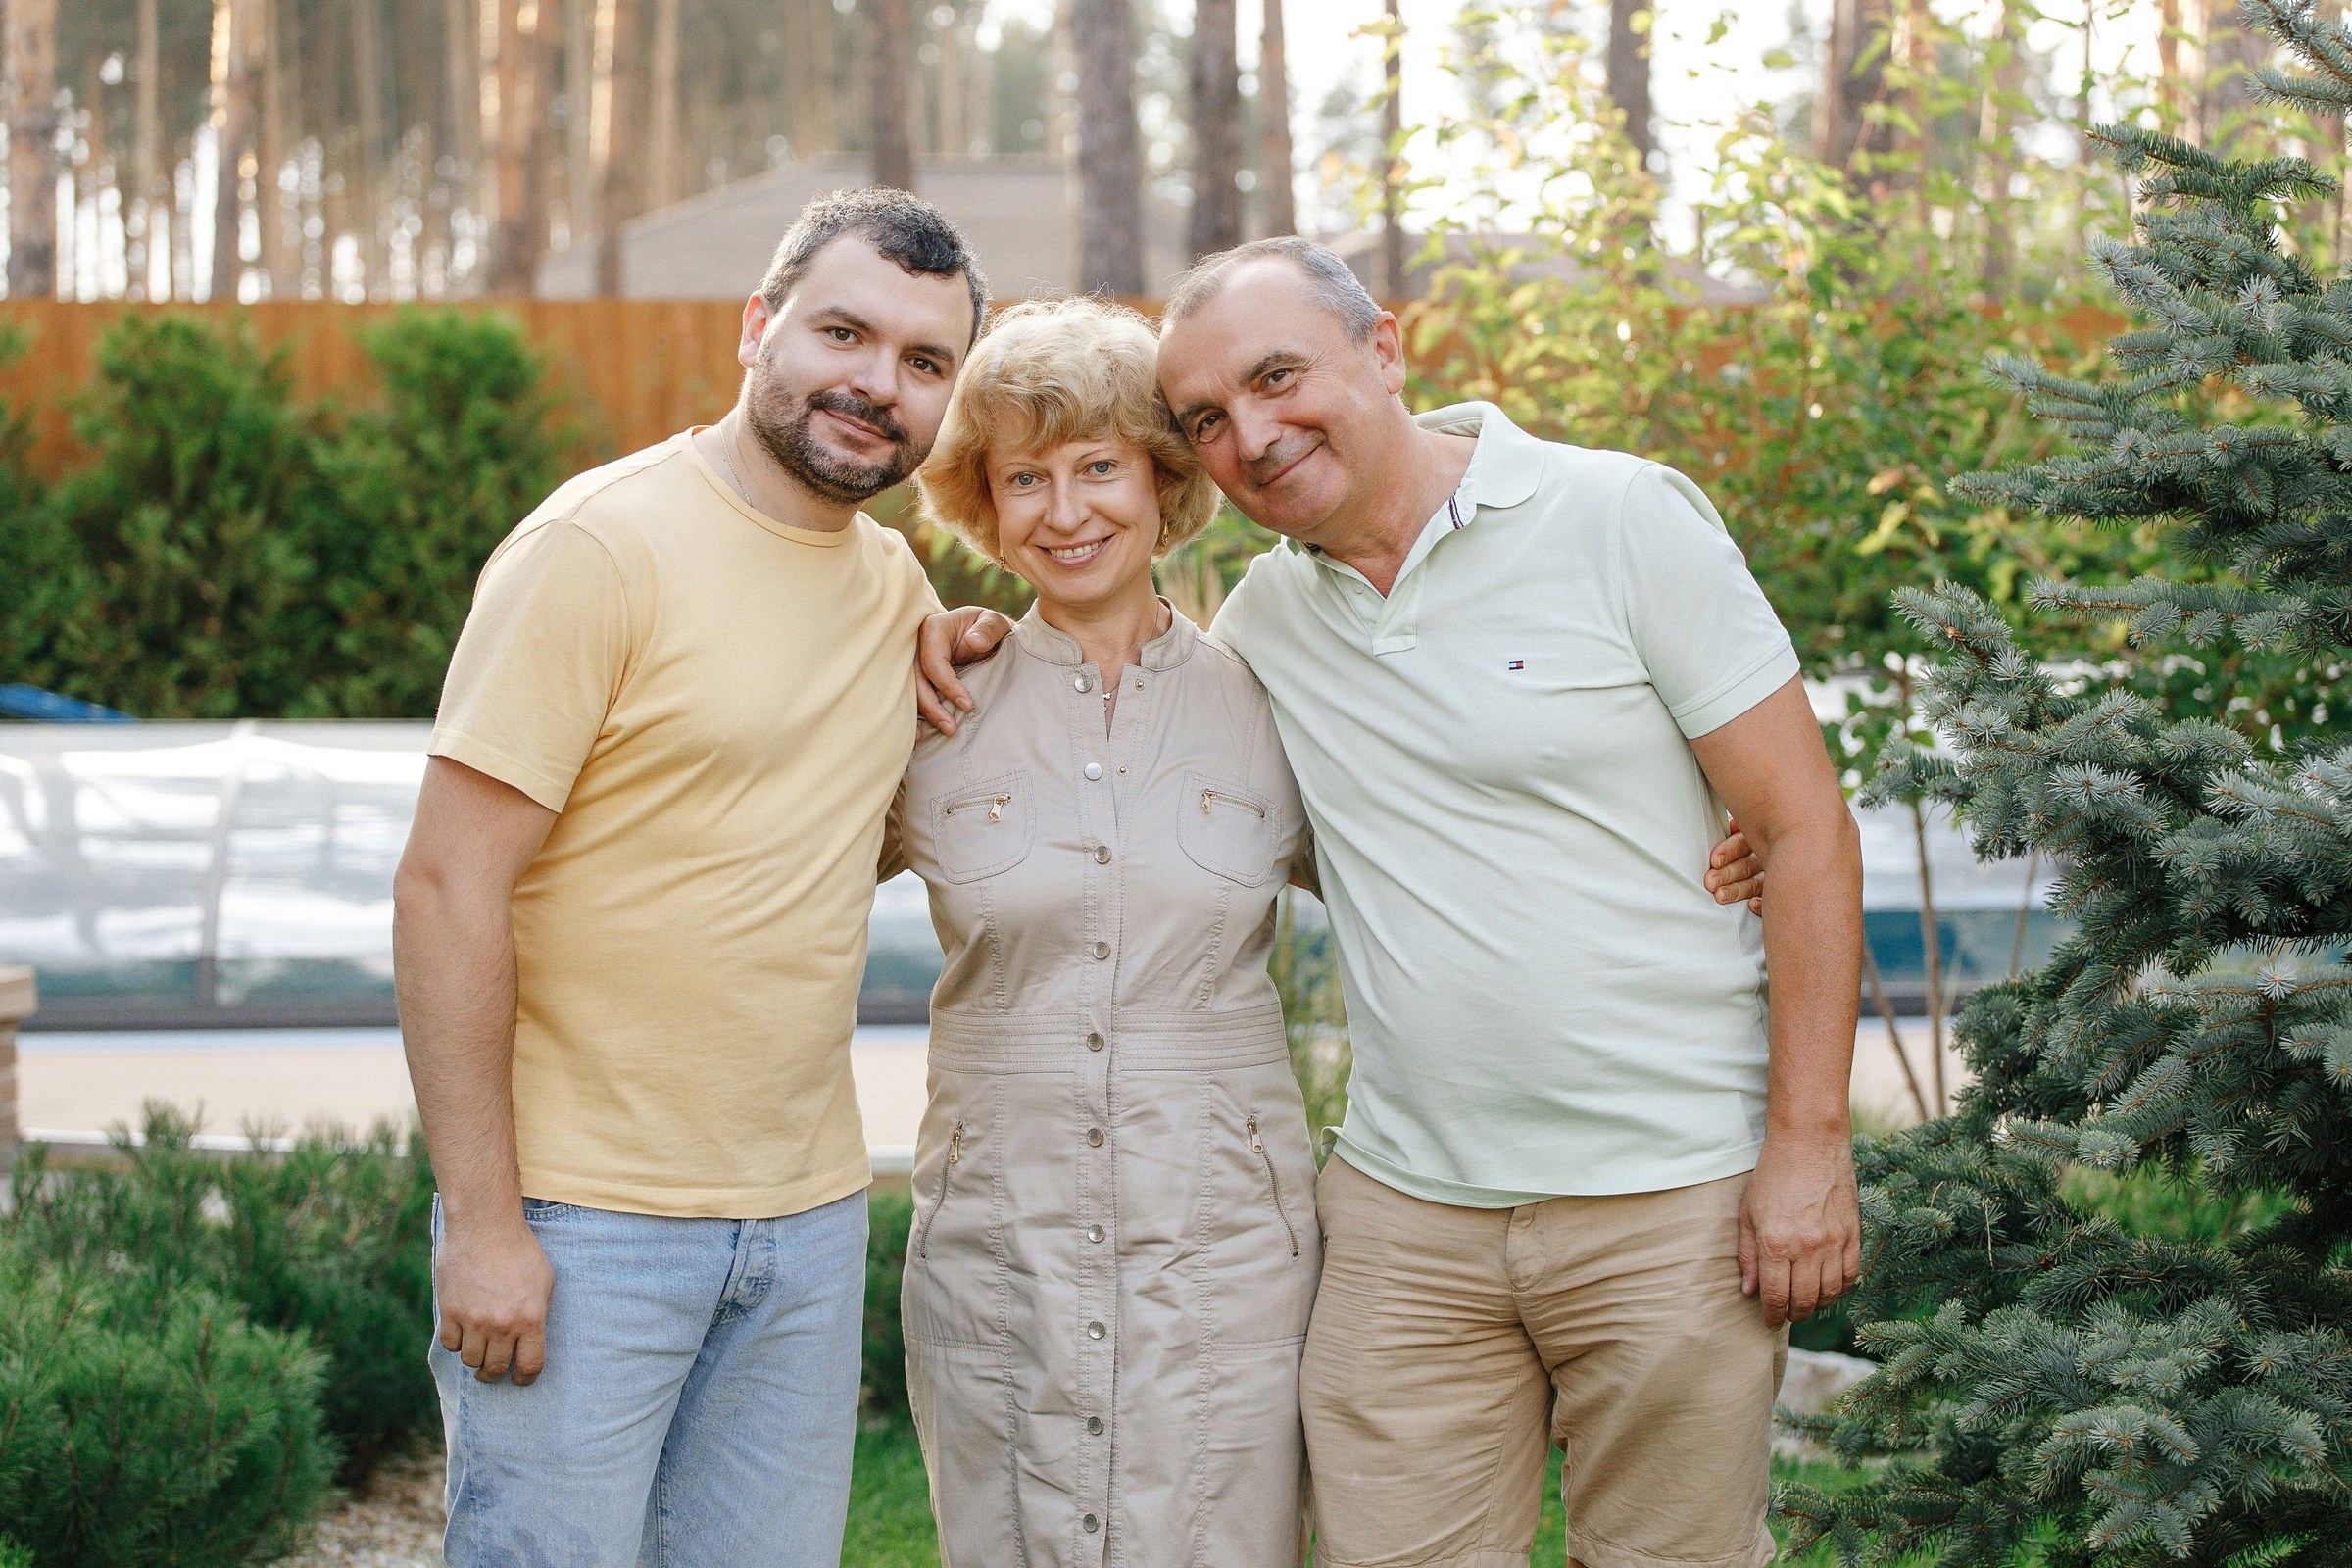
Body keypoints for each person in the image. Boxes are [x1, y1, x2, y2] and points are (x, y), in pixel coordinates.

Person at [920, 236, 1865, 1568]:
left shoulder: (1621, 518)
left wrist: (1809, 1142)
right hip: (1405, 1215)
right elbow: (1143, 784)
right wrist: (938, 632)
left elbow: (1803, 825)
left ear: (1386, 346)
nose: (1253, 431)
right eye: (1208, 417)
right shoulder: (1263, 633)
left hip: (1666, 1201)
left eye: (1279, 374)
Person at [392, 189, 980, 1568]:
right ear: (755, 328)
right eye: (843, 331)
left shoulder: (891, 585)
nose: (875, 385)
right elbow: (444, 889)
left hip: (808, 1220)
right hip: (583, 1222)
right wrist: (483, 1225)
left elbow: (825, 824)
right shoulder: (599, 548)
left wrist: (973, 649)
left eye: (921, 362)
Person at [885, 295, 1324, 1566]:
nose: (1066, 511)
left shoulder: (1268, 701)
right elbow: (762, 876)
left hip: (1225, 1248)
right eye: (1026, 477)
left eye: (1097, 467)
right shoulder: (927, 704)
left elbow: (1421, 867)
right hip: (997, 1243)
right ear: (984, 502)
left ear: (1163, 479)